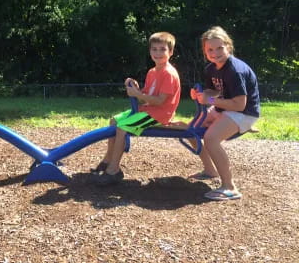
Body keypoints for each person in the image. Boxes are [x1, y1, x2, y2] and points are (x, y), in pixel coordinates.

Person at [91, 32, 181, 185]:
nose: (158, 53)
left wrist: (138, 94)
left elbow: (160, 101)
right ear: (150, 51)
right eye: (154, 49)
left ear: (170, 52)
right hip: (147, 110)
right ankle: (107, 160)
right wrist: (137, 87)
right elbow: (147, 93)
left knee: (122, 128)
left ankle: (114, 170)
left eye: (162, 49)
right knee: (114, 121)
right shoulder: (152, 72)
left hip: (159, 114)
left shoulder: (169, 74)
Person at [189, 26, 260, 201]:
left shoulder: (235, 70)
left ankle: (230, 187)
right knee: (192, 127)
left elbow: (240, 104)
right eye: (210, 49)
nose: (215, 53)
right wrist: (202, 94)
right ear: (205, 52)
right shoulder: (211, 68)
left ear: (228, 46)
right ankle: (210, 169)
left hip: (244, 112)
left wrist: (210, 101)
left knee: (211, 138)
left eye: (219, 48)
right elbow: (214, 91)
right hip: (226, 108)